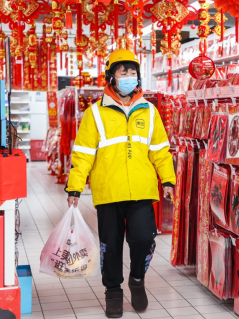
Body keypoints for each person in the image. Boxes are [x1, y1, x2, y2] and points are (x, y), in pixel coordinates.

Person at [65, 49, 176, 318]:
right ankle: (113, 291)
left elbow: (160, 150)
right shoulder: (95, 113)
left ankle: (137, 280)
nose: (128, 77)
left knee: (143, 239)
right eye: (122, 72)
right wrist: (75, 187)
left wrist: (168, 180)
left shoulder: (149, 111)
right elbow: (83, 153)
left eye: (132, 72)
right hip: (108, 190)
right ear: (111, 77)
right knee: (110, 246)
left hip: (142, 189)